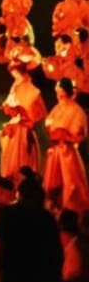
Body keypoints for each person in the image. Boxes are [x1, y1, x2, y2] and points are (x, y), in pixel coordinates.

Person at [42, 78, 89, 213]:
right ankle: (56, 209)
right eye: (57, 90)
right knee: (53, 183)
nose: (57, 92)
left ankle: (71, 211)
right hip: (56, 150)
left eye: (60, 89)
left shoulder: (76, 110)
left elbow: (79, 134)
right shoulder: (57, 108)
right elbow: (49, 126)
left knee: (70, 182)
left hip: (67, 152)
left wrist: (64, 135)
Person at [0, 63, 47, 181]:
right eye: (13, 74)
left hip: (23, 127)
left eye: (16, 73)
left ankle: (24, 179)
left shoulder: (31, 89)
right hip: (16, 125)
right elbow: (9, 103)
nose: (14, 76)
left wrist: (22, 112)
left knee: (22, 156)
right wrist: (9, 109)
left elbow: (38, 111)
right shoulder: (16, 86)